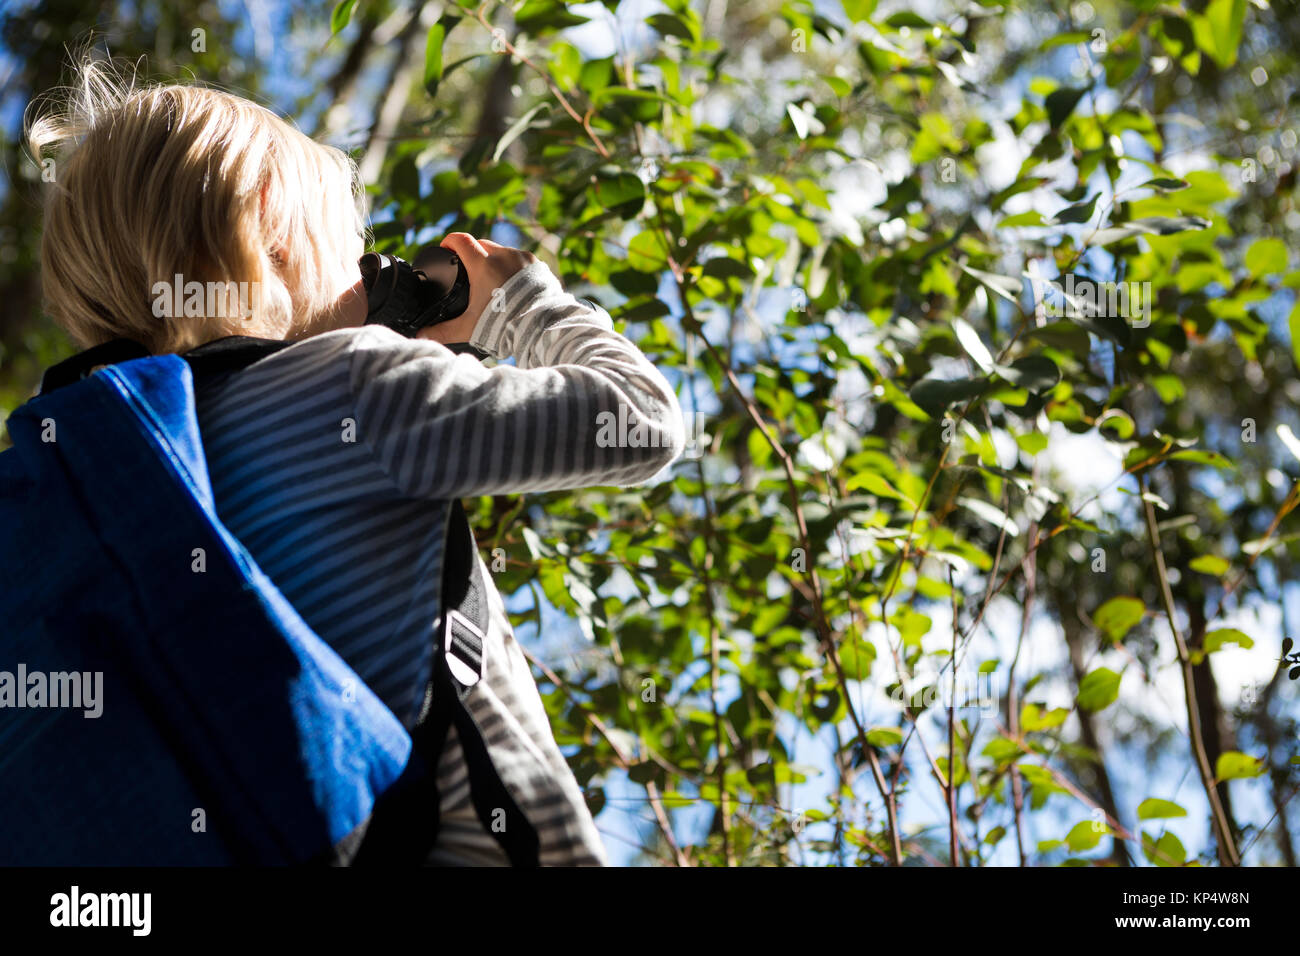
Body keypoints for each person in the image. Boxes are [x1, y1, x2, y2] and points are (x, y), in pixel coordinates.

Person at [23, 56, 685, 865]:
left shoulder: (128, 473)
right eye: (355, 246)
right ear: (269, 214)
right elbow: (643, 422)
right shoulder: (355, 383)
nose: (369, 274)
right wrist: (522, 304)